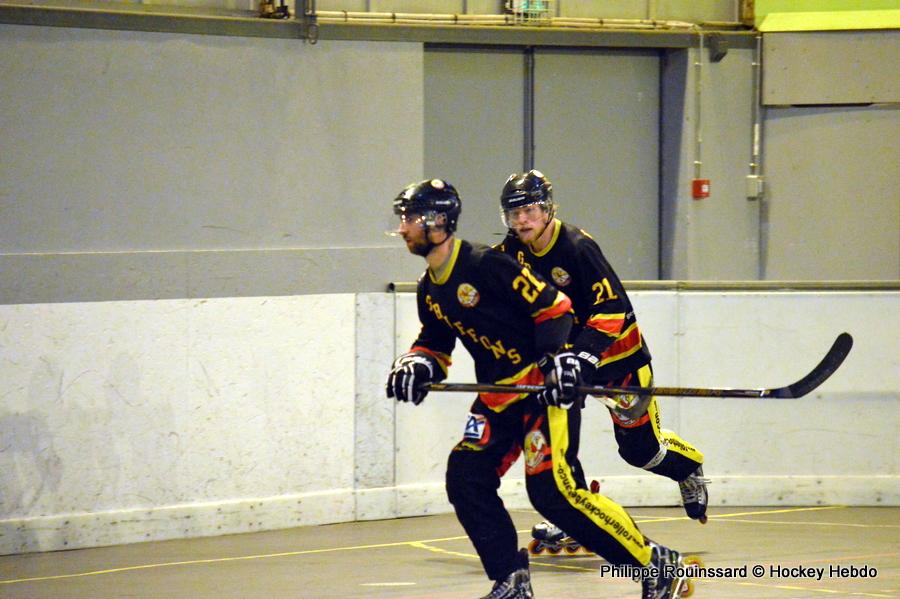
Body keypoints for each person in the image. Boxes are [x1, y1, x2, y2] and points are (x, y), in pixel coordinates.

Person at [386, 178, 694, 599]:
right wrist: (418, 362)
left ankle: (655, 564)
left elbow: (555, 308)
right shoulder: (430, 286)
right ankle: (511, 580)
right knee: (465, 478)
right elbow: (435, 342)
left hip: (541, 392)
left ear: (438, 221)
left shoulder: (486, 264)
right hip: (499, 398)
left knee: (553, 494)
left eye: (410, 219)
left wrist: (560, 360)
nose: (403, 228)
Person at [494, 169, 709, 554]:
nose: (521, 220)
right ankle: (576, 516)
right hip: (565, 365)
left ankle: (686, 467)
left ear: (547, 208)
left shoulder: (577, 247)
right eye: (514, 213)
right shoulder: (511, 252)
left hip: (617, 362)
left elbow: (613, 308)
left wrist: (584, 356)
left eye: (529, 210)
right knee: (559, 444)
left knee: (641, 452)